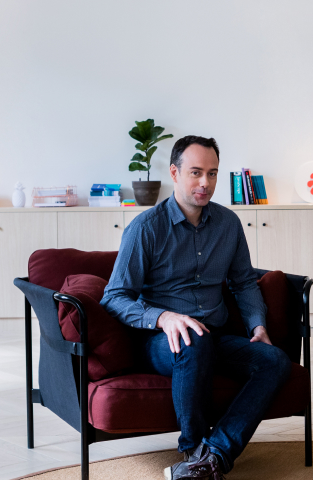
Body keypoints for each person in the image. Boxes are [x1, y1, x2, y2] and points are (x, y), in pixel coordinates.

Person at [101, 135, 292, 480]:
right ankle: (193, 449)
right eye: (195, 172)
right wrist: (163, 317)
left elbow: (244, 282)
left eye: (212, 173)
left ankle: (211, 456)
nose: (205, 182)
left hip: (215, 336)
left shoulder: (228, 224)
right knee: (193, 340)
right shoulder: (145, 228)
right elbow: (114, 297)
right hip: (163, 342)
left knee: (275, 360)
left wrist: (257, 325)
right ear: (174, 173)